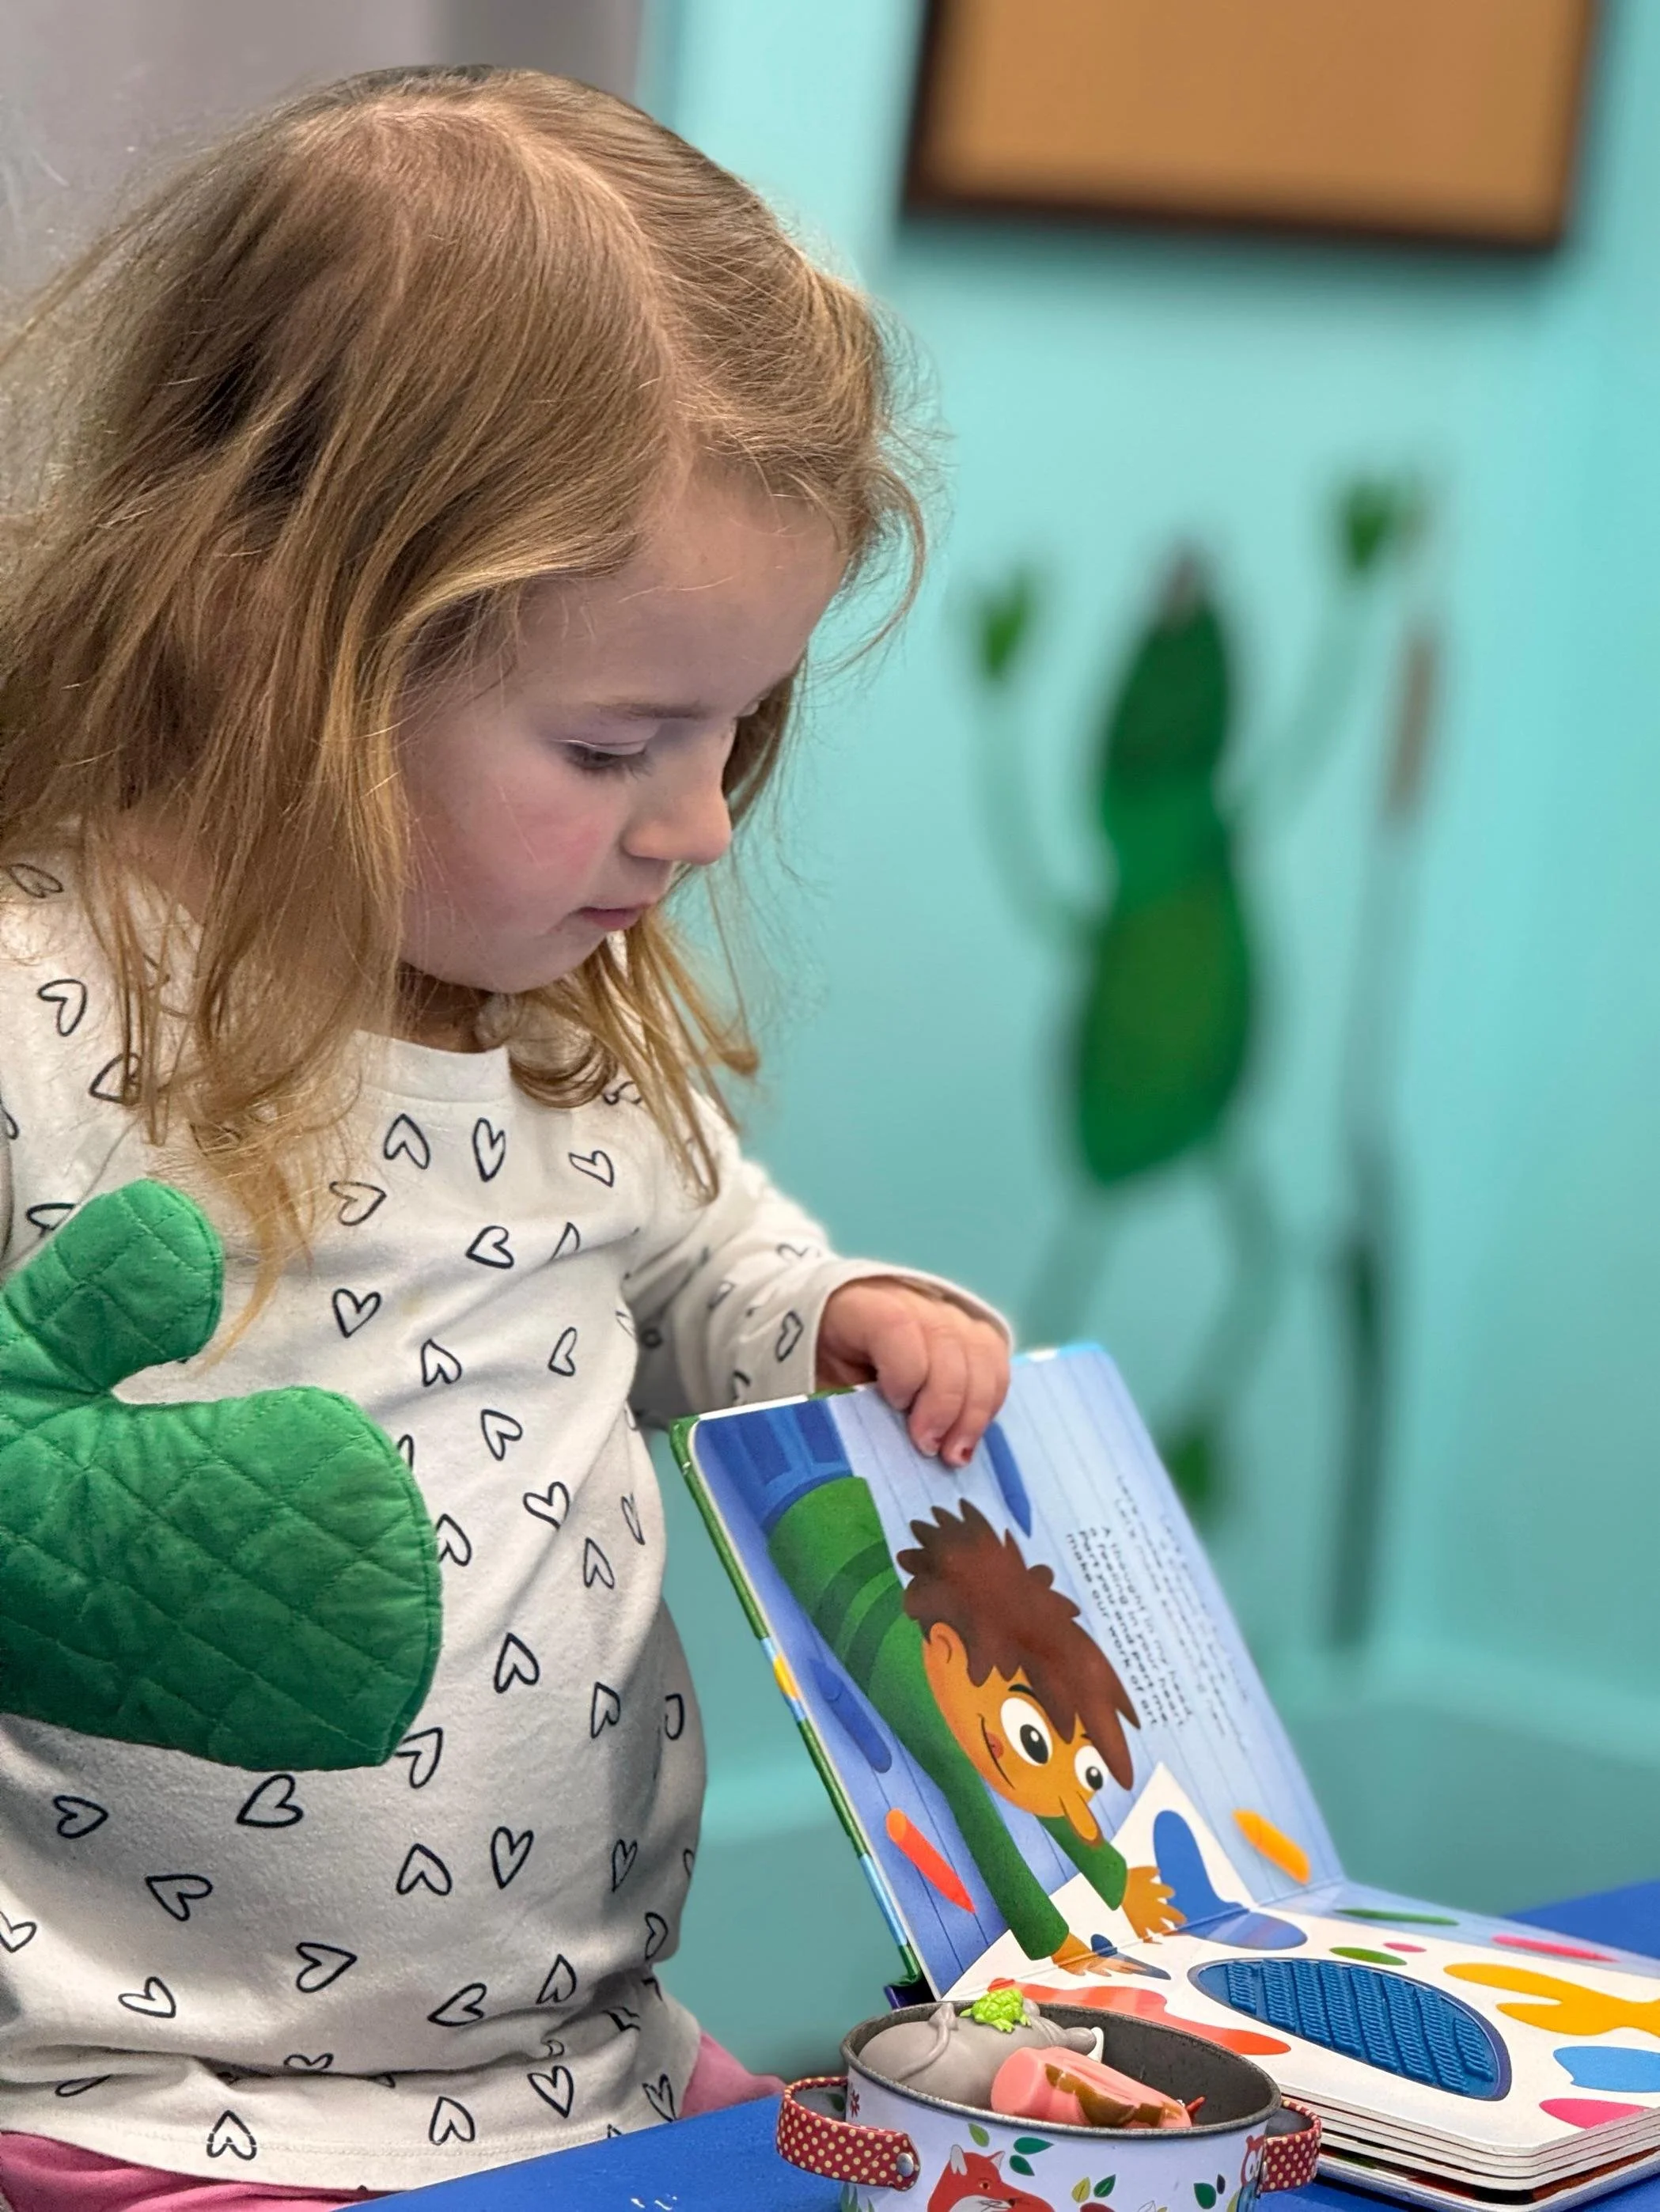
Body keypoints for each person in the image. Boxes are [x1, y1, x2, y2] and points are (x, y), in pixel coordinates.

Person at [0, 66, 1011, 2210]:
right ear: (273, 632)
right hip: (126, 2110)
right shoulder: (30, 1008)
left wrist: (826, 1313)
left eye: (740, 725)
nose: (704, 816)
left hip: (587, 2069)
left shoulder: (556, 1043)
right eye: (617, 739)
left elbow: (697, 1256)